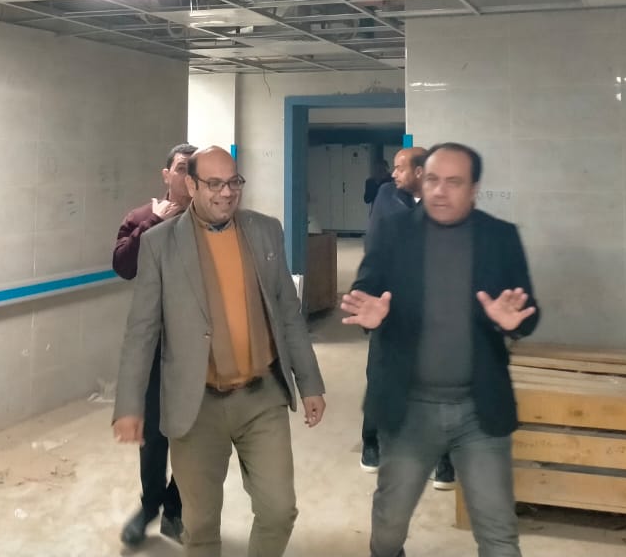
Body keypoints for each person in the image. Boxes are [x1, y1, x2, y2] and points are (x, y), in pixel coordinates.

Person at [113, 146, 327, 557]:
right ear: (191, 185)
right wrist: (129, 405)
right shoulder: (160, 243)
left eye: (233, 182)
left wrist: (310, 382)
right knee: (200, 526)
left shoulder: (265, 230)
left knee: (279, 510)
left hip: (262, 397)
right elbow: (141, 331)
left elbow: (287, 311)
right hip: (197, 405)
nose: (227, 193)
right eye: (214, 184)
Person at [342, 143, 540, 557]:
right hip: (408, 408)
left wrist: (514, 322)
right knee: (388, 530)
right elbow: (366, 289)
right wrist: (371, 312)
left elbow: (527, 311)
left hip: (478, 410)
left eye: (453, 182)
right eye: (432, 179)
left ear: (474, 188)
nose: (439, 191)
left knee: (499, 534)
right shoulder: (393, 232)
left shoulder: (500, 237)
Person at [112, 142, 197, 546]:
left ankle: (175, 507)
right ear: (166, 175)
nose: (186, 175)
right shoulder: (141, 217)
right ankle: (150, 505)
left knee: (194, 432)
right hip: (157, 347)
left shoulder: (208, 221)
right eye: (180, 168)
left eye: (192, 169)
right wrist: (153, 222)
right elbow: (123, 266)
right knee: (154, 434)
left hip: (199, 347)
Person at [359, 147, 455, 493]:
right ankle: (371, 441)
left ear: (419, 172)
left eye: (400, 168)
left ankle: (442, 457)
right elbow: (373, 246)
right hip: (390, 304)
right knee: (380, 374)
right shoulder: (386, 196)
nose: (393, 174)